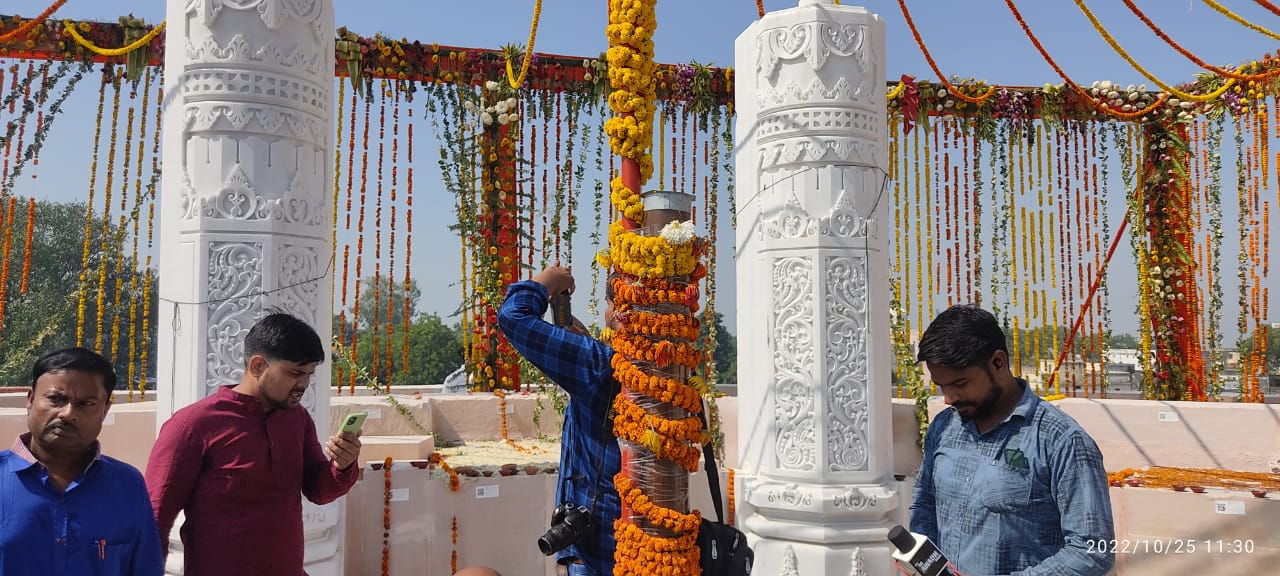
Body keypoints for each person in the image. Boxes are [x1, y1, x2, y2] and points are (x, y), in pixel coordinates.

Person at [145, 312, 362, 575]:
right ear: (258, 366)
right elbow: (155, 519)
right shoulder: (194, 425)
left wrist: (343, 464)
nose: (303, 384)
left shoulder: (296, 419)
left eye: (309, 374)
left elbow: (319, 490)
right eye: (295, 373)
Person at [909, 305, 1115, 576]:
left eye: (959, 384)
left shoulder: (1061, 440)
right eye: (941, 386)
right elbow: (925, 505)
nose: (948, 398)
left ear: (998, 363)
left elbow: (1092, 550)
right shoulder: (944, 427)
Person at [497, 266, 618, 576]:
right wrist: (587, 346)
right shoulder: (671, 368)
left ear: (619, 310)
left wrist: (549, 281)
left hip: (596, 553)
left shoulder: (598, 365)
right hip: (642, 548)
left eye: (608, 304)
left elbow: (514, 316)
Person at [0, 347, 164, 575]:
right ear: (30, 400)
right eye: (56, 399)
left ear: (105, 410)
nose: (68, 414)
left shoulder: (127, 485)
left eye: (86, 404)